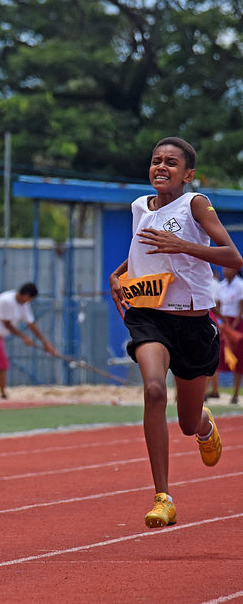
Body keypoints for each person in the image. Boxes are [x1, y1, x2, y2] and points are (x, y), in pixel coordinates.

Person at [109, 136, 237, 528]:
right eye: (156, 160)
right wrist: (117, 274)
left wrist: (181, 244)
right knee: (153, 390)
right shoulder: (139, 206)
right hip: (149, 316)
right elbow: (142, 250)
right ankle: (163, 497)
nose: (161, 167)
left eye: (171, 162)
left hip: (193, 322)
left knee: (186, 423)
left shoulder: (195, 204)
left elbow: (233, 256)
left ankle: (203, 424)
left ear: (188, 174)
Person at [0, 282, 55, 399]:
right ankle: (1, 394)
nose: (30, 301)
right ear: (26, 295)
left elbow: (31, 324)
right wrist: (24, 337)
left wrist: (45, 343)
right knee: (1, 364)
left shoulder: (24, 305)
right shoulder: (6, 301)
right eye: (30, 299)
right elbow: (7, 324)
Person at [211, 266, 243, 403]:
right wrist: (222, 320)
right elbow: (217, 305)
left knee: (238, 359)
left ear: (235, 270)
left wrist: (233, 325)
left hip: (237, 323)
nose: (225, 271)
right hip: (224, 323)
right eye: (224, 269)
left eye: (228, 269)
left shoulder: (240, 285)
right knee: (217, 356)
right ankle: (214, 390)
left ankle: (235, 394)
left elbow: (241, 308)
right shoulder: (221, 286)